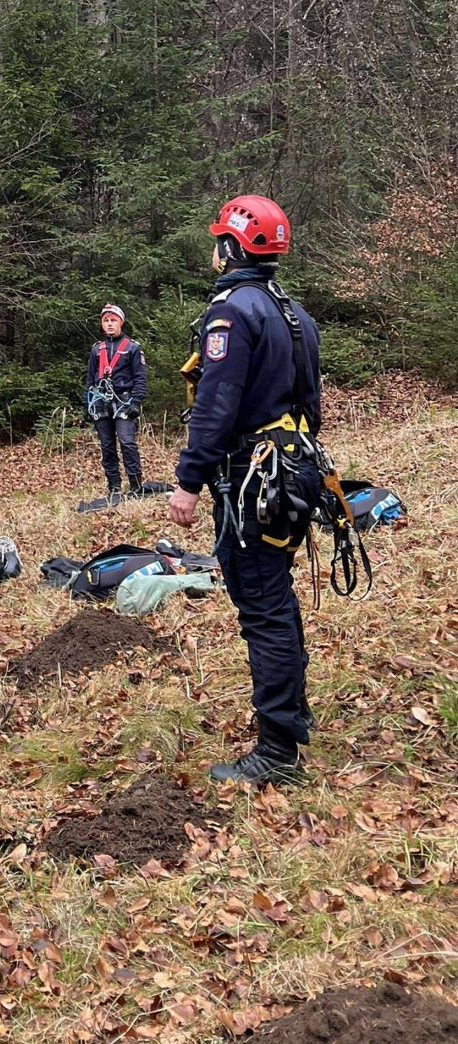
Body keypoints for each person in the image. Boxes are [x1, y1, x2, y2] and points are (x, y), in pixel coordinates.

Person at [168, 194, 324, 789]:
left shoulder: (232, 314)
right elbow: (310, 404)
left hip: (255, 478)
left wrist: (187, 480)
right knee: (273, 597)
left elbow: (216, 403)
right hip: (290, 470)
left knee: (262, 604)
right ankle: (289, 717)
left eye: (218, 241)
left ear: (230, 247)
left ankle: (278, 749)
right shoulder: (294, 314)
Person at [85, 303, 148, 497]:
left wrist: (136, 401)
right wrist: (87, 405)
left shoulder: (132, 348)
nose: (110, 324)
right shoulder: (97, 349)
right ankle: (114, 486)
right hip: (100, 401)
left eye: (113, 320)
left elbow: (140, 377)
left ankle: (136, 485)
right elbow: (89, 378)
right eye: (106, 321)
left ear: (121, 322)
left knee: (127, 442)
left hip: (124, 401)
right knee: (106, 445)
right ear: (102, 324)